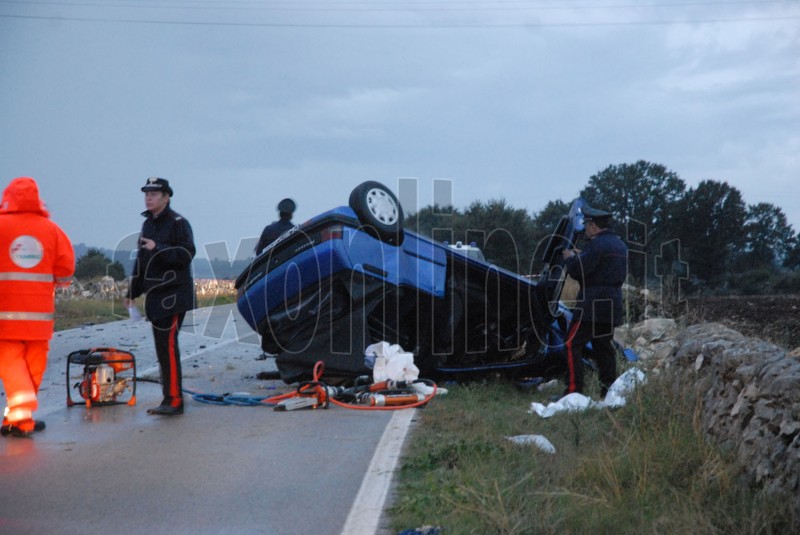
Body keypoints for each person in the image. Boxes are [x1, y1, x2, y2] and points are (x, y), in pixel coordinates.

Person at [0, 177, 75, 438]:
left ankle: (19, 417)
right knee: (33, 366)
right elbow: (65, 271)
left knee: (11, 365)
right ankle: (20, 418)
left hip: (4, 315)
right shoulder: (52, 230)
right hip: (39, 317)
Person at [124, 177, 196, 416]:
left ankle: (174, 400)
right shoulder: (149, 225)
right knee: (161, 348)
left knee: (168, 346)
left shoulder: (178, 223)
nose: (149, 197)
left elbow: (186, 254)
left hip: (174, 294)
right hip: (156, 296)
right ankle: (169, 397)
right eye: (147, 193)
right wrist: (132, 293)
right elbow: (141, 262)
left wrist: (159, 248)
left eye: (154, 193)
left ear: (166, 197)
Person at [560, 204, 628, 398]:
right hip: (612, 305)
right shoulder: (619, 245)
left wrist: (570, 258)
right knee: (603, 348)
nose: (586, 229)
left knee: (571, 344)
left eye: (588, 225)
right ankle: (608, 392)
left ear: (594, 227)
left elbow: (578, 270)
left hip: (591, 305)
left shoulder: (596, 245)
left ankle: (573, 391)